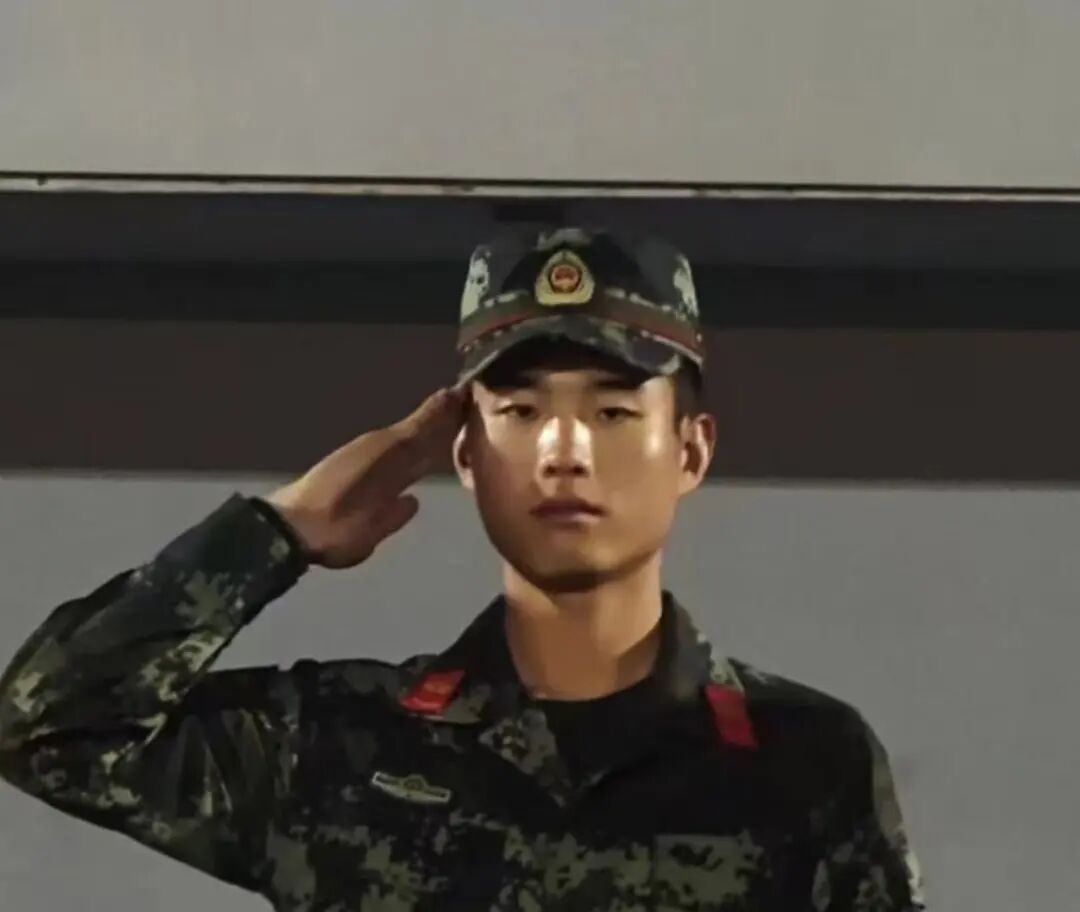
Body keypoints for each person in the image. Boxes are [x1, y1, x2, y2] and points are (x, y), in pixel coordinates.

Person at [0, 226, 926, 911]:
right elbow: (45, 730)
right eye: (520, 413)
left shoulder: (802, 763)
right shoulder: (341, 753)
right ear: (467, 456)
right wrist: (275, 532)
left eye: (611, 412)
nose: (563, 452)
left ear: (690, 450)